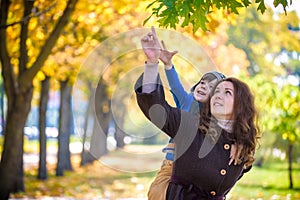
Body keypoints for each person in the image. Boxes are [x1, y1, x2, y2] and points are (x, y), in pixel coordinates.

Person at [135, 27, 260, 199]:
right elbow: (155, 107)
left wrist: (241, 143)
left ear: (241, 106)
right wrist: (151, 63)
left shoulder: (242, 149)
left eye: (227, 93)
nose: (217, 95)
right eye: (216, 92)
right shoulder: (189, 125)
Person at [147, 40, 228, 200]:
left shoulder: (216, 119)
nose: (204, 86)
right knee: (155, 194)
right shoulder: (187, 101)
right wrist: (168, 64)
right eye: (203, 82)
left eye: (211, 86)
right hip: (171, 166)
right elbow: (176, 86)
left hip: (196, 173)